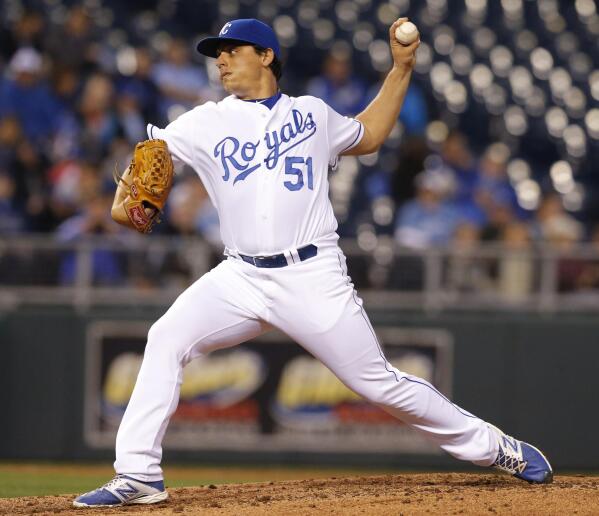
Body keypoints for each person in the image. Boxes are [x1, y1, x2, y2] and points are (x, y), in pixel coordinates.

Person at [73, 18, 552, 508]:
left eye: (232, 50)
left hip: (310, 274)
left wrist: (401, 70)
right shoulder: (203, 121)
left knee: (378, 383)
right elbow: (150, 161)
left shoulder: (312, 115)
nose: (220, 60)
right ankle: (138, 475)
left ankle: (494, 447)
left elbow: (367, 135)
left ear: (265, 56)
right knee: (165, 338)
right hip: (240, 275)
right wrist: (126, 198)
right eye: (216, 53)